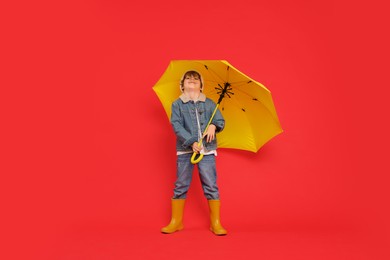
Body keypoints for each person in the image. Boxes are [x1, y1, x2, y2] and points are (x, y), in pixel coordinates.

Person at [161, 70, 227, 236]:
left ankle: (215, 223)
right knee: (181, 184)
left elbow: (220, 120)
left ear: (201, 85)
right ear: (182, 85)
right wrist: (191, 141)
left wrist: (214, 126)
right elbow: (176, 125)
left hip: (207, 150)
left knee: (211, 185)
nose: (192, 82)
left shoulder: (210, 103)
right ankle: (176, 222)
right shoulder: (177, 105)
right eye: (188, 80)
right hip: (185, 150)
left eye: (195, 80)